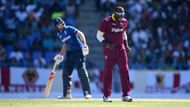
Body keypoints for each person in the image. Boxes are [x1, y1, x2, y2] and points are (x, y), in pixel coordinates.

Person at [96, 6, 133, 102]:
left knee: (124, 70)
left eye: (122, 15)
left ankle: (126, 95)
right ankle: (106, 96)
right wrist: (107, 45)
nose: (121, 17)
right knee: (108, 71)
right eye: (119, 15)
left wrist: (126, 45)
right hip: (109, 49)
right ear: (115, 14)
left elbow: (124, 33)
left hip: (121, 49)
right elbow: (99, 36)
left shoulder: (124, 21)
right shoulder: (106, 21)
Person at [53, 17, 92, 99]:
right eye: (59, 24)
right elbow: (65, 44)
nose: (61, 25)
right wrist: (61, 54)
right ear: (56, 26)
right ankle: (67, 94)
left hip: (78, 51)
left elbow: (80, 33)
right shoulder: (59, 34)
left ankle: (87, 93)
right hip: (70, 53)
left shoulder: (69, 28)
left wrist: (85, 44)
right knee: (65, 72)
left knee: (81, 70)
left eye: (61, 23)